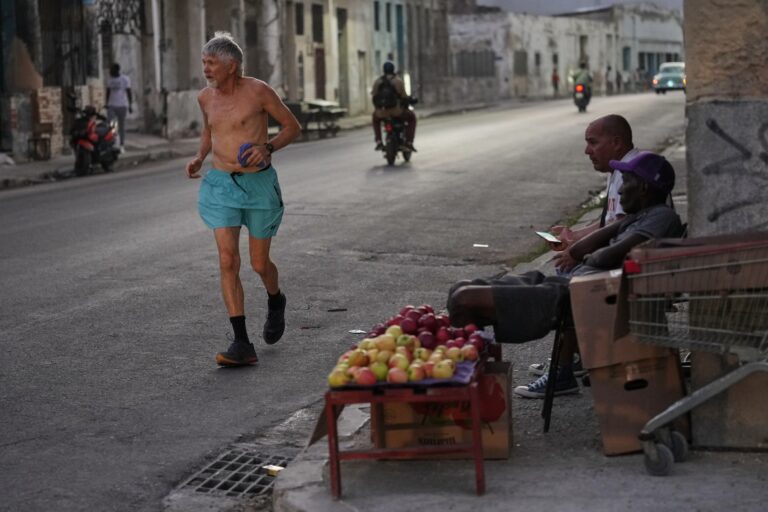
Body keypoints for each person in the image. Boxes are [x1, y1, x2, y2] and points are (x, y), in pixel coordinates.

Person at [447, 151, 683, 398]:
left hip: (582, 295)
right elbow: (580, 250)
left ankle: (464, 396)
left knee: (465, 299)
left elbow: (602, 257)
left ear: (644, 187)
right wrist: (619, 224)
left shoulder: (661, 217)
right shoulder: (640, 216)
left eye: (627, 181)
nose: (621, 190)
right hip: (571, 286)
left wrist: (600, 248)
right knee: (460, 289)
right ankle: (469, 388)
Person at [185, 32, 301, 367]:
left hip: (259, 185)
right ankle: (241, 342)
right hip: (221, 184)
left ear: (231, 65)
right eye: (204, 63)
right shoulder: (205, 98)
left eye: (211, 63)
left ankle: (275, 299)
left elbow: (292, 127)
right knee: (227, 260)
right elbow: (210, 130)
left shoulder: (259, 92)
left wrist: (268, 148)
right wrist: (199, 156)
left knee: (260, 264)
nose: (206, 69)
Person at [548, 114, 638, 273]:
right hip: (613, 254)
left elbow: (620, 225)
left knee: (565, 275)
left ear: (616, 143)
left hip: (623, 261)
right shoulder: (617, 169)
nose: (587, 151)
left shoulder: (629, 174)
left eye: (593, 142)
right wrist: (575, 235)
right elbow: (610, 220)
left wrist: (580, 250)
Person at [371, 61, 417, 152]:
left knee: (374, 119)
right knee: (412, 118)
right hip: (397, 112)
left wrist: (378, 108)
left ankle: (379, 141)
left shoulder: (378, 81)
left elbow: (374, 97)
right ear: (393, 70)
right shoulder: (398, 81)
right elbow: (404, 97)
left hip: (381, 113)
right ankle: (408, 142)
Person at [105, 63, 133, 151]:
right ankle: (115, 142)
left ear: (116, 70)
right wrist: (106, 103)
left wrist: (130, 105)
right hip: (112, 105)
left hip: (122, 105)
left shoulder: (125, 79)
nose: (110, 72)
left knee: (121, 126)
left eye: (111, 70)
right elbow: (108, 92)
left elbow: (129, 92)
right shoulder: (109, 80)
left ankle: (121, 145)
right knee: (113, 124)